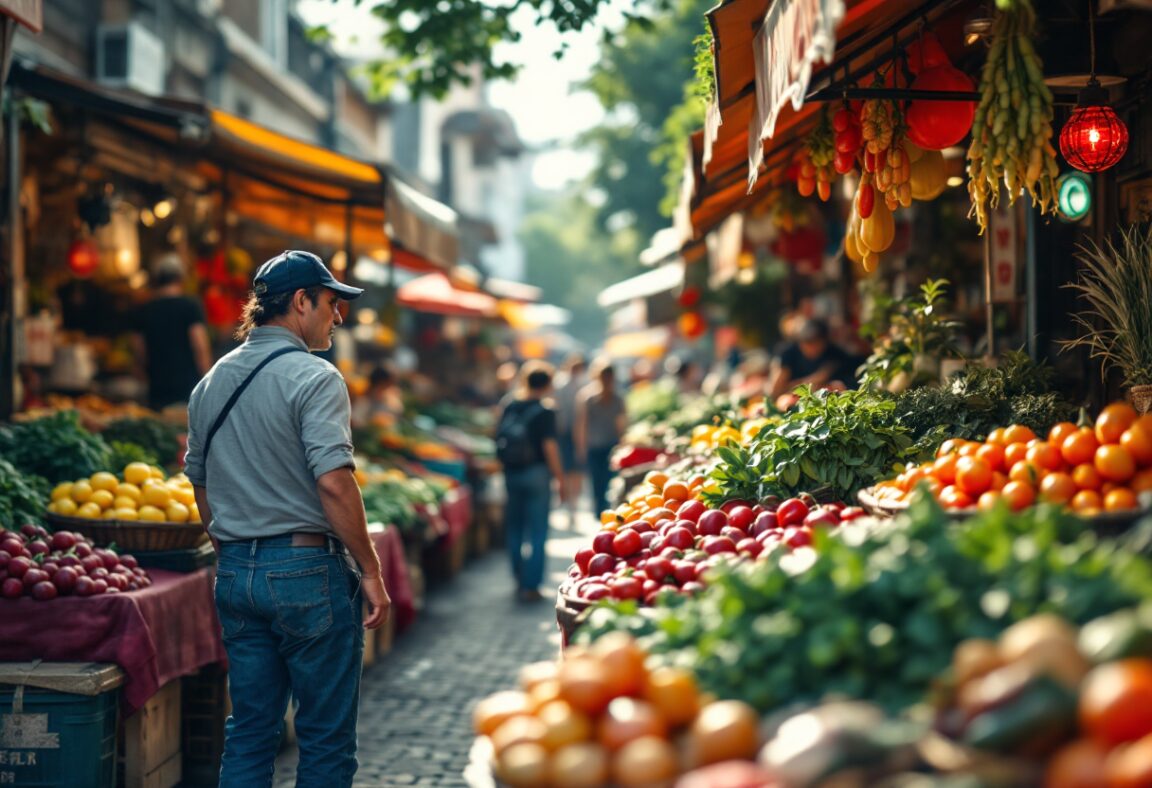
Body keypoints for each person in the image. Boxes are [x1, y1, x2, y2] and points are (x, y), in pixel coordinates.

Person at [184, 250, 391, 787]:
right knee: (324, 739)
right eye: (331, 303)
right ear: (301, 302)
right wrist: (370, 570)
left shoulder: (210, 382)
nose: (337, 316)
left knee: (250, 733)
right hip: (305, 574)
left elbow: (199, 481)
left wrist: (232, 544)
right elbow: (333, 480)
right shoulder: (316, 377)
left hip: (235, 574)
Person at [496, 361, 565, 602]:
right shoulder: (545, 410)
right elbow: (550, 447)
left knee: (515, 526)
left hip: (511, 472)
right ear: (547, 384)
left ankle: (518, 575)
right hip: (537, 473)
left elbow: (497, 435)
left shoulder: (510, 404)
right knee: (537, 530)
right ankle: (531, 584)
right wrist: (560, 479)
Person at [132, 254, 212, 410]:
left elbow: (139, 352)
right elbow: (200, 346)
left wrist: (144, 376)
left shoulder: (144, 309)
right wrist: (208, 380)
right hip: (188, 386)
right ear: (180, 278)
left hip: (157, 386)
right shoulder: (190, 306)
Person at [575, 360, 627, 517]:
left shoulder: (587, 398)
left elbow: (581, 426)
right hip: (610, 445)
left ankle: (600, 513)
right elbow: (621, 426)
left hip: (594, 446)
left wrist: (581, 448)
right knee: (609, 482)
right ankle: (607, 511)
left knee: (597, 483)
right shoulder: (617, 398)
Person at [767, 317, 858, 399]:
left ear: (824, 341)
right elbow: (776, 390)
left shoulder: (835, 355)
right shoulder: (788, 354)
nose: (811, 347)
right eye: (807, 342)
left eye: (815, 341)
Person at [552, 354, 588, 526]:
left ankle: (572, 504)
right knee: (569, 470)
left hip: (575, 433)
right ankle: (569, 503)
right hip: (565, 433)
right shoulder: (561, 385)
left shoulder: (582, 385)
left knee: (574, 471)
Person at [351, 364, 404, 429]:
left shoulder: (389, 398)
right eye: (387, 384)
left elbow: (397, 414)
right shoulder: (364, 401)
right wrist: (373, 422)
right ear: (380, 382)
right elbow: (355, 421)